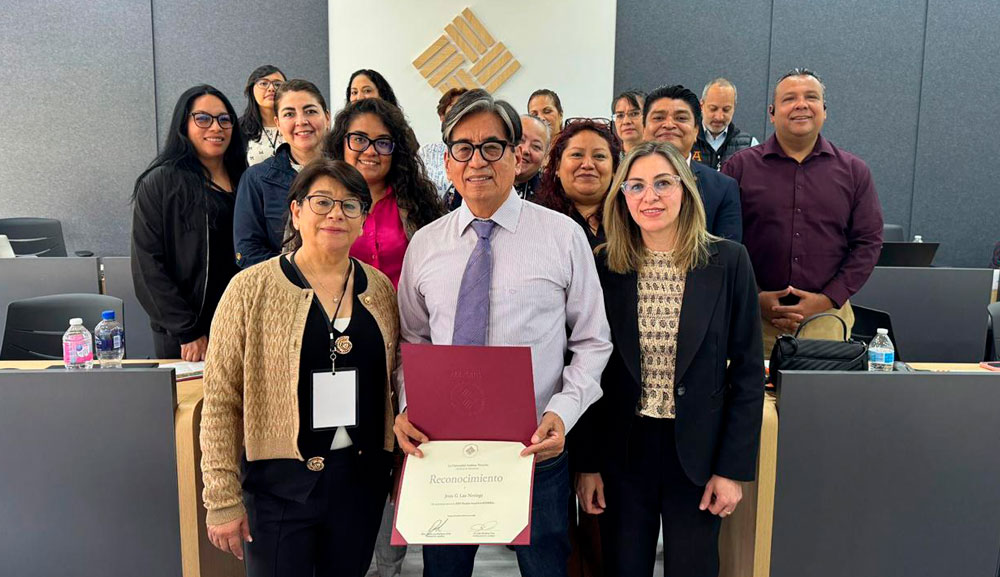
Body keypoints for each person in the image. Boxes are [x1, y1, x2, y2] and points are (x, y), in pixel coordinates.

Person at [393, 89, 613, 577]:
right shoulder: (427, 245)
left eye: (492, 147)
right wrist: (408, 404)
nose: (477, 161)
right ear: (447, 161)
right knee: (444, 571)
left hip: (535, 445)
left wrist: (563, 411)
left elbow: (593, 340)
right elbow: (413, 343)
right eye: (463, 148)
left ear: (517, 156)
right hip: (444, 448)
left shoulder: (562, 236)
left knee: (545, 569)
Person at [201, 159, 399, 576]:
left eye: (350, 205)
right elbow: (221, 399)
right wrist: (221, 497)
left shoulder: (379, 289)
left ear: (363, 219)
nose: (335, 214)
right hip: (278, 486)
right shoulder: (250, 288)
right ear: (295, 210)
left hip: (359, 483)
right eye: (321, 202)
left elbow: (393, 386)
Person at [575, 140, 764, 577]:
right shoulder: (605, 266)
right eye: (635, 186)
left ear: (686, 190)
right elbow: (585, 367)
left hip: (697, 455)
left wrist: (731, 470)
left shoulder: (729, 261)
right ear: (622, 196)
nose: (650, 196)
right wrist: (587, 465)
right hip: (624, 453)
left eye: (663, 183)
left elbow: (749, 374)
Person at [722, 68, 883, 355]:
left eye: (811, 97)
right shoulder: (739, 168)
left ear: (824, 110)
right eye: (789, 99)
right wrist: (755, 297)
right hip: (752, 317)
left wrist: (826, 299)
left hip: (826, 321)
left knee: (823, 400)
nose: (801, 104)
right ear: (772, 112)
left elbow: (867, 244)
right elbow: (721, 242)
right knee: (749, 399)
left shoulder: (854, 172)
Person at [131, 85, 247, 361]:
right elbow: (147, 265)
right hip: (188, 333)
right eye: (203, 118)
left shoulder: (247, 179)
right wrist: (187, 330)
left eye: (224, 119)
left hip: (242, 323)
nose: (216, 127)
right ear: (184, 124)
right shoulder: (162, 182)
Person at [324, 97, 445, 288]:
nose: (371, 151)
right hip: (338, 315)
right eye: (359, 139)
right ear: (341, 143)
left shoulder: (417, 201)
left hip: (403, 315)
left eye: (382, 142)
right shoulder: (319, 202)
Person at [234, 79, 331, 268]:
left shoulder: (348, 174)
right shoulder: (256, 179)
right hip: (281, 289)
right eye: (289, 114)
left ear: (327, 117)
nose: (301, 121)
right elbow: (248, 252)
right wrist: (302, 273)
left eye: (310, 111)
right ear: (277, 123)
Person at [642, 84, 742, 241]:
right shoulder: (623, 181)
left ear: (696, 130)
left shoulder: (722, 188)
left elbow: (728, 256)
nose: (669, 124)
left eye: (681, 118)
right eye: (658, 118)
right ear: (643, 129)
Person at [535, 119, 621, 247]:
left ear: (614, 169)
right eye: (577, 154)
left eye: (599, 156)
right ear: (557, 166)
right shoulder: (536, 219)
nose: (587, 165)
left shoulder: (632, 217)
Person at [692, 78, 759, 171]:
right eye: (713, 108)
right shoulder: (685, 139)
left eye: (726, 110)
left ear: (734, 108)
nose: (719, 117)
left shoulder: (750, 146)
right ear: (701, 105)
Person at [419, 87, 468, 197]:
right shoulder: (426, 152)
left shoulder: (480, 151)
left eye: (464, 107)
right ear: (442, 116)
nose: (459, 112)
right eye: (454, 107)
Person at [240, 65, 287, 166]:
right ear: (251, 90)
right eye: (263, 83)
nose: (271, 88)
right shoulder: (239, 129)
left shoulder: (296, 124)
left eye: (278, 84)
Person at [514, 114, 551, 200]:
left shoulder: (550, 198)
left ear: (545, 158)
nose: (525, 150)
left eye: (536, 146)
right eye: (520, 140)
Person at [612, 90, 645, 155]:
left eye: (634, 114)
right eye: (620, 116)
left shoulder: (661, 160)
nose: (626, 121)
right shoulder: (611, 161)